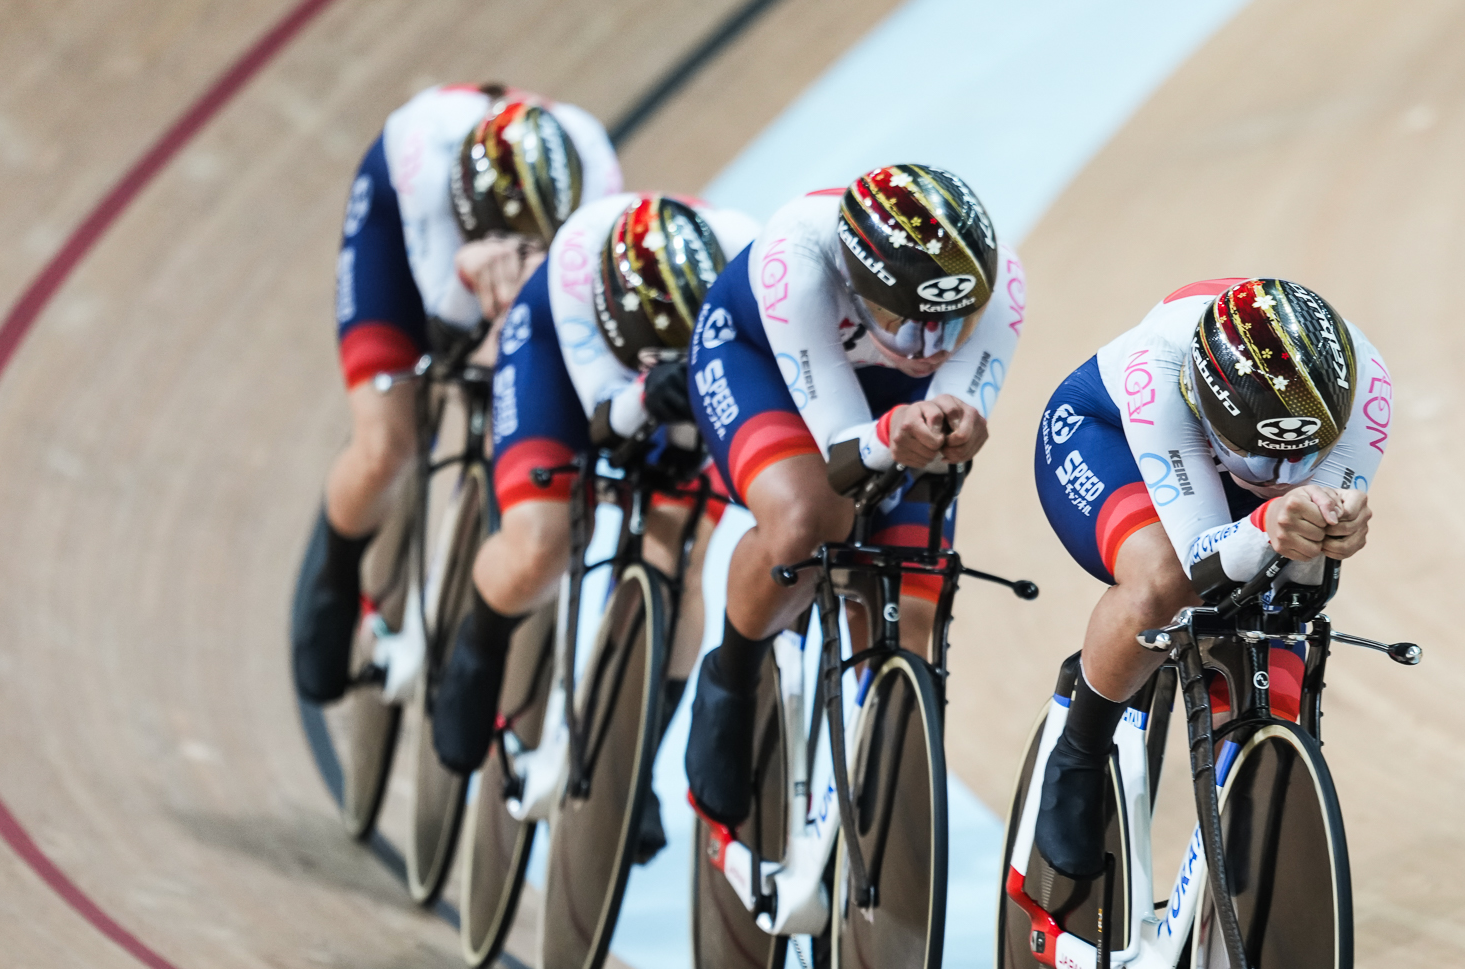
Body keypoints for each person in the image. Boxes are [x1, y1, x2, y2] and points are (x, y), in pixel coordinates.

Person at [681, 164, 1028, 826]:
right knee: (809, 519)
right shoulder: (799, 259)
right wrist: (886, 433)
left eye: (957, 318)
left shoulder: (1000, 281)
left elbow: (950, 410)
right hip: (766, 366)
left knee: (912, 612)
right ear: (858, 286)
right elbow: (844, 450)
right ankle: (730, 675)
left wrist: (959, 423)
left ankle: (879, 808)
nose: (934, 344)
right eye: (911, 317)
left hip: (889, 400)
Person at [1028, 277, 1390, 879]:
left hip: (1232, 450)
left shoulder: (1368, 385)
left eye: (1301, 458)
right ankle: (1078, 751)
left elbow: (1305, 570)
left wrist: (1338, 526)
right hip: (1116, 436)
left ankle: (1249, 778)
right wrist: (1274, 514)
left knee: (1291, 601)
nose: (1277, 473)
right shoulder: (1160, 368)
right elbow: (1203, 560)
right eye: (1261, 457)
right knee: (1165, 584)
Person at [293, 83, 622, 704]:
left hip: (528, 252)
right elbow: (449, 320)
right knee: (386, 443)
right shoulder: (426, 166)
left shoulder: (594, 170)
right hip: (400, 225)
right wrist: (476, 276)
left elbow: (572, 320)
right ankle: (336, 577)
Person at [427, 192, 759, 790]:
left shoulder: (752, 270)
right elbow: (606, 420)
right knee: (539, 546)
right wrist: (641, 394)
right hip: (560, 353)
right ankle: (479, 642)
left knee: (682, 555)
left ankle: (637, 772)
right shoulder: (577, 268)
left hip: (705, 361)